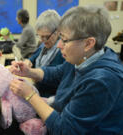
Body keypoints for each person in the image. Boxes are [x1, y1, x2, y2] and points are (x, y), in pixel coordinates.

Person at [9, 5, 123, 135]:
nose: (59, 45)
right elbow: (57, 73)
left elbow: (65, 130)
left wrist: (30, 95)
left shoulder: (102, 81)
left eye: (64, 40)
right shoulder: (82, 57)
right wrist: (29, 72)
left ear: (88, 43)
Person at [23, 9, 65, 97]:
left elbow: (58, 79)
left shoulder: (63, 52)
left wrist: (35, 75)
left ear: (57, 32)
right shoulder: (44, 45)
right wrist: (28, 61)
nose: (42, 40)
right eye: (39, 36)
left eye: (46, 37)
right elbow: (34, 56)